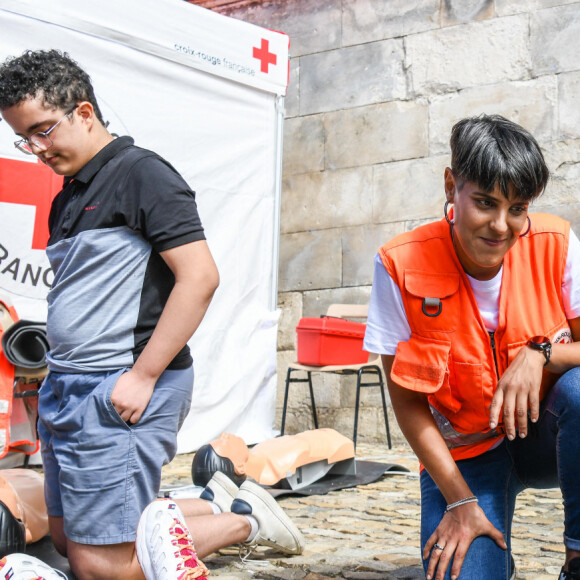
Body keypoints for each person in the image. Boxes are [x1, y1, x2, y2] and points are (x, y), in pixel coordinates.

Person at [0, 49, 303, 580]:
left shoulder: (143, 174)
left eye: (43, 131)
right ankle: (218, 505)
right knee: (71, 540)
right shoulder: (68, 195)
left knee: (103, 568)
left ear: (85, 112)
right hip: (68, 389)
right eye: (25, 138)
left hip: (120, 390)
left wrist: (142, 376)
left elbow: (201, 277)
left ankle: (243, 520)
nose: (37, 149)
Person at [364, 114, 580, 580]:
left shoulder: (556, 244)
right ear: (451, 187)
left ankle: (577, 557)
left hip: (547, 435)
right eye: (485, 203)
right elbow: (406, 399)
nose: (502, 226)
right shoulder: (398, 264)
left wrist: (541, 353)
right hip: (466, 458)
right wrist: (460, 501)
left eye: (517, 208)